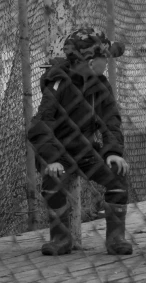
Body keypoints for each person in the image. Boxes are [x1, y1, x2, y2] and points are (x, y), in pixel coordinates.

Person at [27, 27, 133, 256]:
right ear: (89, 60)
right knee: (51, 179)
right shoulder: (58, 82)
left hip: (85, 150)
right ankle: (61, 238)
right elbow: (40, 124)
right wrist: (51, 159)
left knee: (117, 175)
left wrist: (113, 151)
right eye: (103, 57)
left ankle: (115, 239)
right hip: (58, 151)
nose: (106, 62)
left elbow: (111, 121)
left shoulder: (100, 84)